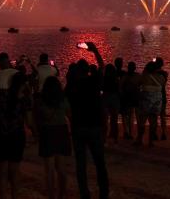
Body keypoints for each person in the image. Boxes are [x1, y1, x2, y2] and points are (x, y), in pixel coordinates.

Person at [66, 42, 109, 199]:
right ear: (88, 71)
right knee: (99, 162)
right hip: (94, 127)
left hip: (78, 128)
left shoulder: (71, 87)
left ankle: (84, 193)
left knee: (81, 164)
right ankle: (104, 193)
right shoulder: (93, 83)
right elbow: (102, 67)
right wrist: (95, 51)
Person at [0, 72, 32, 199]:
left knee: (2, 170)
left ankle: (3, 196)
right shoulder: (24, 100)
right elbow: (29, 121)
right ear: (24, 84)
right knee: (14, 171)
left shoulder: (1, 94)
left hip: (0, 135)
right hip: (16, 136)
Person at [36, 76, 71, 199]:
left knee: (49, 169)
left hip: (47, 131)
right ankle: (62, 194)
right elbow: (69, 114)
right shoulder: (63, 99)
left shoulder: (42, 100)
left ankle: (51, 195)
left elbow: (39, 117)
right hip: (61, 130)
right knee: (61, 167)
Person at [135, 61, 166, 147]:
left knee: (142, 121)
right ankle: (150, 141)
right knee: (153, 121)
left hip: (146, 100)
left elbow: (138, 84)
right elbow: (163, 85)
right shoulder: (161, 78)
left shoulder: (144, 77)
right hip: (157, 101)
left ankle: (140, 139)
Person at [119, 61, 140, 140]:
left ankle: (127, 132)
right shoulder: (137, 76)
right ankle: (129, 132)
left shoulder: (125, 76)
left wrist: (122, 94)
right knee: (131, 115)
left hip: (126, 98)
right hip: (133, 98)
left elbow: (120, 87)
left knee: (125, 115)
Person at [102, 64, 120, 144]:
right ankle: (115, 138)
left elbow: (101, 88)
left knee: (104, 120)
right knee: (114, 120)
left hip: (106, 98)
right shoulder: (116, 79)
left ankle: (104, 139)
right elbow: (119, 90)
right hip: (115, 99)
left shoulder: (104, 78)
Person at [154, 57, 169, 140]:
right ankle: (164, 133)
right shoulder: (164, 73)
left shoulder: (153, 73)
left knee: (155, 115)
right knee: (163, 115)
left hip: (155, 95)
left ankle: (155, 133)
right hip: (162, 95)